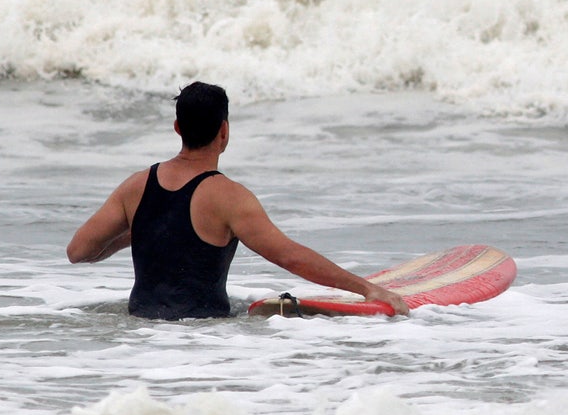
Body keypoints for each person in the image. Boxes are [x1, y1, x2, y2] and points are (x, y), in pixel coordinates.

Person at [68, 82, 409, 319]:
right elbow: (290, 256)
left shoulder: (136, 186)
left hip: (141, 334)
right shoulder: (229, 197)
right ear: (224, 131)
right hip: (206, 338)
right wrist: (366, 289)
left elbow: (79, 251)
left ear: (177, 127)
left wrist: (142, 229)